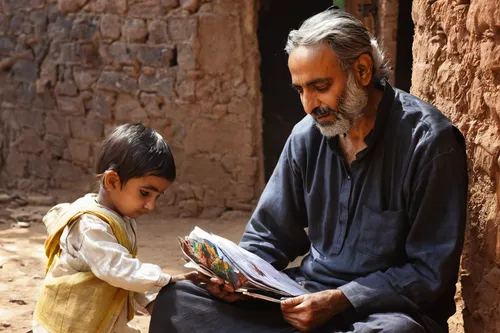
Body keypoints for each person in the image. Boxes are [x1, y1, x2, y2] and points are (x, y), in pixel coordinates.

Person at [149, 8, 468, 333]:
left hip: (384, 311)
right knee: (179, 300)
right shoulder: (308, 135)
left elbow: (429, 272)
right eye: (300, 90)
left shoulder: (429, 143)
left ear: (361, 69)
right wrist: (236, 277)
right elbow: (269, 233)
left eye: (320, 86)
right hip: (305, 299)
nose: (308, 104)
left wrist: (343, 298)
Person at [32, 123, 199, 333]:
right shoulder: (89, 225)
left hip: (100, 319)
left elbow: (125, 275)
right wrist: (165, 279)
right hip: (68, 326)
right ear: (112, 181)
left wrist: (151, 301)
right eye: (145, 193)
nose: (151, 205)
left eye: (158, 196)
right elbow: (117, 270)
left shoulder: (121, 219)